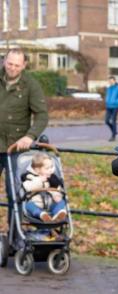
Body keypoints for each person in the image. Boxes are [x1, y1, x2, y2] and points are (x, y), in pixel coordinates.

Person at [0, 48, 48, 225]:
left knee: (15, 192)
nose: (12, 68)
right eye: (10, 63)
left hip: (16, 148)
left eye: (17, 65)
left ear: (24, 65)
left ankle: (15, 236)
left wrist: (30, 136)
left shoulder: (31, 85)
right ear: (4, 60)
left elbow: (42, 115)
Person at [21, 152, 67, 223]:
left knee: (62, 201)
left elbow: (58, 189)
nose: (51, 170)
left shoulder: (52, 178)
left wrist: (57, 195)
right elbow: (27, 187)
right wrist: (39, 180)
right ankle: (41, 214)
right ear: (37, 170)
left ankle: (58, 214)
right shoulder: (29, 176)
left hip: (50, 204)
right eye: (47, 168)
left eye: (51, 167)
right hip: (36, 203)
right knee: (29, 206)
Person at [104, 76, 118, 141]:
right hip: (108, 106)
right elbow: (107, 96)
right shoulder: (109, 88)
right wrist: (107, 101)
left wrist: (115, 102)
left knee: (113, 120)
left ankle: (113, 136)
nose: (110, 82)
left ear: (114, 81)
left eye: (111, 81)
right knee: (106, 121)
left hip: (115, 106)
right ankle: (114, 131)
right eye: (109, 81)